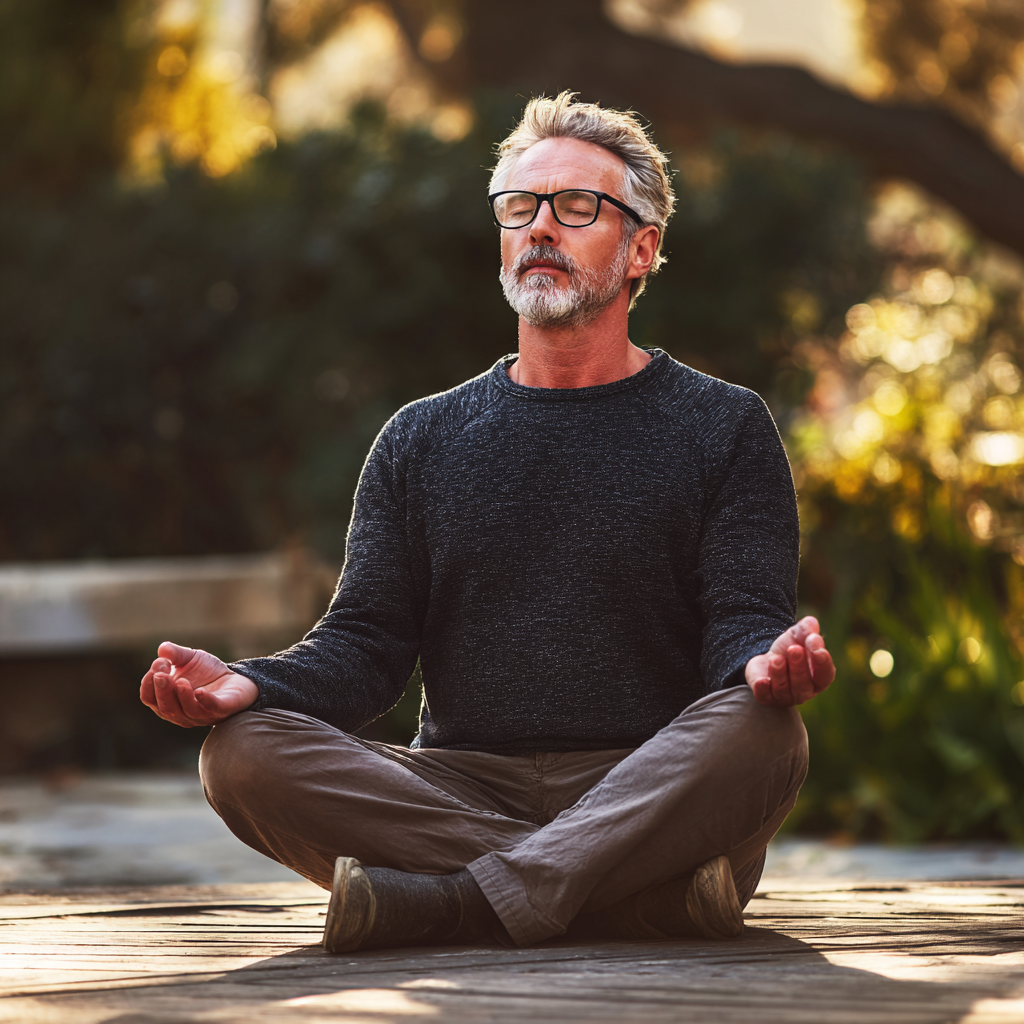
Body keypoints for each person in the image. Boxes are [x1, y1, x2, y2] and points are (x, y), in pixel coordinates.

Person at [140, 92, 834, 953]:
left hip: (648, 779)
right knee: (239, 756)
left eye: (577, 207)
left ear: (640, 250)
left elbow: (742, 620)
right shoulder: (420, 438)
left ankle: (450, 906)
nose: (541, 226)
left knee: (767, 736)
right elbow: (365, 645)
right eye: (519, 206)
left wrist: (764, 665)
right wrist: (253, 685)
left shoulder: (723, 426)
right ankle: (628, 901)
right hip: (456, 788)